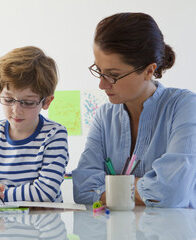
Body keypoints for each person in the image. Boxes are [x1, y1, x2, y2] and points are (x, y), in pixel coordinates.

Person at [72, 12, 196, 208]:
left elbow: (171, 192)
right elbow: (83, 189)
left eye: (113, 75)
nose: (102, 85)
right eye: (99, 71)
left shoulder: (185, 106)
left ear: (149, 70)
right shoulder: (104, 117)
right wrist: (146, 189)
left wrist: (111, 188)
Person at [0, 46, 69, 204]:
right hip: (1, 224)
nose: (16, 110)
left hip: (44, 225)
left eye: (28, 102)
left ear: (46, 102)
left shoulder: (54, 134)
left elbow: (45, 191)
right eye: (9, 100)